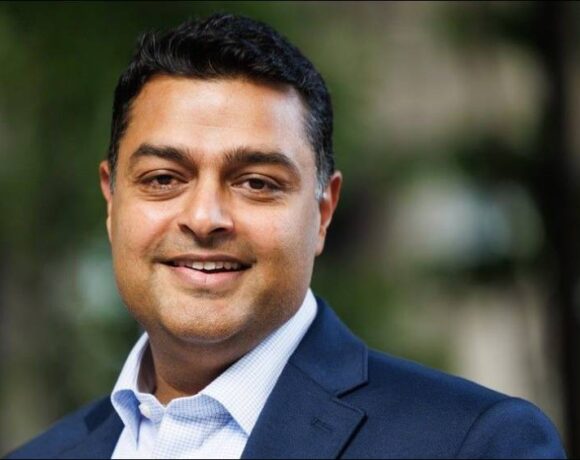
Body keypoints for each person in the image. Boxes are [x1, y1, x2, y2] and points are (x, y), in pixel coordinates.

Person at [8, 13, 566, 460]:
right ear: (112, 202)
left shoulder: (473, 444)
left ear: (323, 211)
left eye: (256, 183)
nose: (204, 218)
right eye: (163, 179)